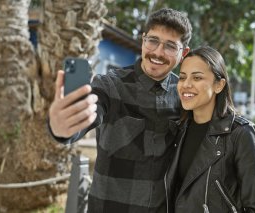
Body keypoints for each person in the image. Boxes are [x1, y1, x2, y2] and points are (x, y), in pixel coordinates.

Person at [48, 8, 192, 213]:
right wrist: (62, 128)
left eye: (170, 46)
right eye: (153, 41)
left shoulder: (185, 95)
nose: (158, 52)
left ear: (183, 53)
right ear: (143, 41)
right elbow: (90, 113)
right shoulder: (110, 85)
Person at [164, 46, 255, 212]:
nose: (186, 85)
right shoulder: (178, 130)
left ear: (219, 85)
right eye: (182, 77)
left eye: (197, 78)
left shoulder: (241, 133)